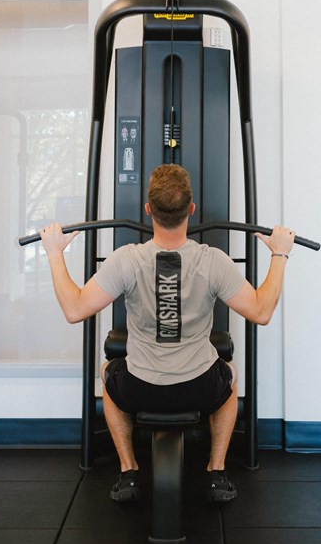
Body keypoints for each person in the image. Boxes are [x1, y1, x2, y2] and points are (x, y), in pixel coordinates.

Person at [39, 163, 295, 504]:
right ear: (191, 209)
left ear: (148, 210)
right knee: (230, 377)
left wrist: (55, 253)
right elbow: (261, 312)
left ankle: (129, 471)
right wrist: (279, 254)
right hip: (199, 387)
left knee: (107, 372)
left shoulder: (125, 260)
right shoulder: (214, 261)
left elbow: (74, 309)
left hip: (139, 388)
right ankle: (216, 473)